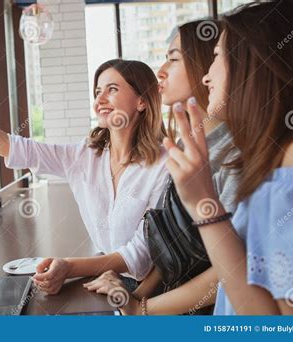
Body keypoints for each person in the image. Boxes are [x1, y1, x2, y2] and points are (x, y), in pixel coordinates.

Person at [0, 59, 169, 294]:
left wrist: (70, 266)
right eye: (97, 91)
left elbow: (144, 252)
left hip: (152, 290)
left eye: (112, 89)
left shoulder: (163, 165)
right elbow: (12, 147)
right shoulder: (85, 156)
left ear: (142, 101)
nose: (99, 98)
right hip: (106, 277)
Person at [161, 1, 293, 315]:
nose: (206, 76)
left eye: (216, 56)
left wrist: (204, 205)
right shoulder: (278, 154)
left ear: (253, 63)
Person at [84, 19, 240, 314]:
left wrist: (142, 309)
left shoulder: (232, 153)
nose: (161, 71)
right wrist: (136, 298)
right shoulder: (183, 146)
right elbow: (174, 241)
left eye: (173, 59)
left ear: (208, 65)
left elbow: (230, 271)